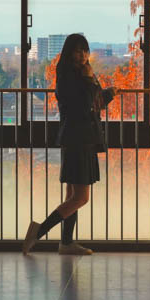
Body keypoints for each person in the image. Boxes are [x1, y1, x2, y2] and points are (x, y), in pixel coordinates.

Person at [23, 34, 119, 256]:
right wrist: (89, 81)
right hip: (79, 139)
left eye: (85, 51)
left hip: (78, 137)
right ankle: (38, 232)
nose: (83, 55)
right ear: (69, 52)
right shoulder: (70, 76)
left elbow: (95, 103)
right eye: (78, 51)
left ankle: (66, 242)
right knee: (80, 197)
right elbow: (83, 105)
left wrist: (109, 94)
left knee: (72, 196)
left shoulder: (78, 74)